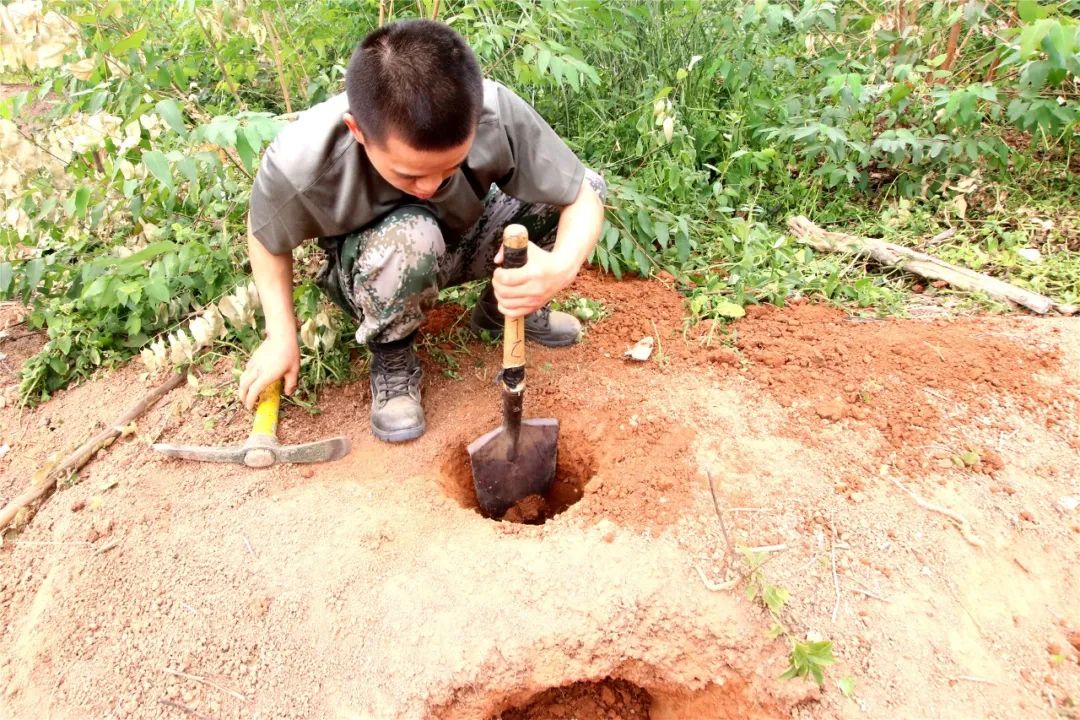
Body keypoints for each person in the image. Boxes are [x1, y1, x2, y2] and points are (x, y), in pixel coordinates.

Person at [238, 19, 606, 442]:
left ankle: (503, 311)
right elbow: (265, 235)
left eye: (450, 167)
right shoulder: (301, 161)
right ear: (358, 131)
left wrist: (558, 268)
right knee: (411, 235)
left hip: (462, 234)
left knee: (586, 186)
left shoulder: (493, 110)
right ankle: (393, 360)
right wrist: (280, 334)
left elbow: (582, 196)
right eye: (410, 175)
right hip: (380, 265)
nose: (431, 187)